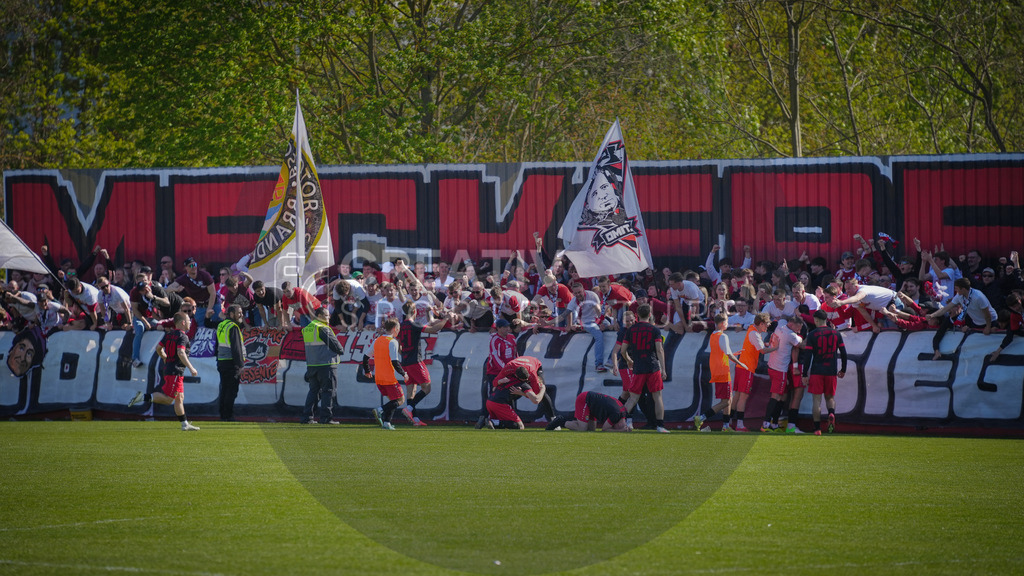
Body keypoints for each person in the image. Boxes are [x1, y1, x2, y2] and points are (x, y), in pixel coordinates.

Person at [128, 312, 200, 431]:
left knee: (179, 398)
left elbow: (158, 348)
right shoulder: (183, 336)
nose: (190, 322)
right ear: (183, 323)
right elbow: (181, 352)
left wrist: (164, 357)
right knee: (168, 399)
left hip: (170, 369)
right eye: (188, 320)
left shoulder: (169, 334)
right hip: (175, 371)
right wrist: (191, 368)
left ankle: (184, 424)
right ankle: (143, 397)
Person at [619, 303, 670, 433]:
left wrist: (629, 360)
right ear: (650, 314)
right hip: (652, 367)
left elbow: (623, 350)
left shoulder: (631, 330)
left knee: (633, 398)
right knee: (657, 397)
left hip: (638, 367)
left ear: (637, 315)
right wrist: (663, 369)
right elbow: (659, 350)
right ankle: (660, 426)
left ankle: (617, 421)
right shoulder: (654, 330)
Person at [693, 314, 749, 432]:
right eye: (727, 321)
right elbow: (728, 354)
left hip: (717, 370)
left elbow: (722, 352)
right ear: (722, 323)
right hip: (722, 370)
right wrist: (740, 363)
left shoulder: (714, 335)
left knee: (728, 398)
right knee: (726, 401)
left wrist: (733, 353)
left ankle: (725, 426)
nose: (728, 324)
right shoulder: (723, 336)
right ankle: (702, 417)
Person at [397, 301, 448, 426]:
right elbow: (435, 329)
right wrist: (446, 318)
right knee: (427, 387)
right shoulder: (415, 325)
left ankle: (415, 420)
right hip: (415, 361)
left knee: (411, 391)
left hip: (405, 361)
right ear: (415, 312)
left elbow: (398, 345)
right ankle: (408, 409)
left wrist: (404, 355)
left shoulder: (401, 326)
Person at [800, 310, 847, 435]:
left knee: (816, 400)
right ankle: (831, 412)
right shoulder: (836, 334)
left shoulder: (812, 334)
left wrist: (804, 374)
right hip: (831, 371)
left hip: (817, 370)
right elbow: (843, 353)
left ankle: (817, 429)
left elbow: (808, 356)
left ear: (816, 320)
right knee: (830, 397)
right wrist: (843, 369)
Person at [928, 277, 998, 360]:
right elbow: (945, 309)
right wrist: (932, 316)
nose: (955, 290)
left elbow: (987, 314)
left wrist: (988, 327)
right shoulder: (959, 296)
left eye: (957, 288)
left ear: (963, 289)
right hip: (977, 322)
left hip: (990, 320)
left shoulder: (978, 297)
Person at [728, 313, 776, 432]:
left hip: (742, 366)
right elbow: (763, 351)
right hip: (747, 368)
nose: (768, 327)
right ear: (761, 323)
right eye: (767, 324)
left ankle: (727, 423)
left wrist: (766, 344)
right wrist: (776, 348)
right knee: (743, 397)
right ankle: (739, 425)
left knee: (737, 396)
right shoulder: (754, 333)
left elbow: (758, 345)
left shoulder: (752, 330)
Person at [301, 306, 344, 424]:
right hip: (326, 364)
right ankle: (326, 418)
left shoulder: (308, 328)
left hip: (312, 365)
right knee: (328, 391)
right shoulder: (323, 328)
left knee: (313, 392)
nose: (329, 317)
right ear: (319, 316)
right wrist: (341, 350)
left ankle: (307, 417)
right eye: (326, 315)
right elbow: (337, 346)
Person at [362, 317, 407, 430]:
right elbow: (395, 361)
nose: (399, 331)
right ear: (394, 329)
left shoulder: (377, 340)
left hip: (379, 379)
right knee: (400, 400)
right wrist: (404, 374)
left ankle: (387, 423)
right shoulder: (392, 342)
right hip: (389, 379)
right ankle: (380, 410)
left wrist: (367, 371)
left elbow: (365, 357)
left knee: (393, 400)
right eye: (398, 329)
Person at [761, 315, 803, 433]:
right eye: (797, 328)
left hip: (772, 365)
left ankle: (773, 424)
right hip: (780, 369)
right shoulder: (790, 335)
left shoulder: (780, 327)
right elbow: (800, 345)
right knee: (776, 396)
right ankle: (766, 423)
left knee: (780, 395)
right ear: (791, 324)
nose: (798, 331)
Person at [480, 364, 546, 430]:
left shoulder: (509, 377)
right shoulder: (524, 385)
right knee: (520, 426)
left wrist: (500, 381)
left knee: (501, 424)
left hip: (490, 401)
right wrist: (543, 389)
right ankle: (493, 422)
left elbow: (494, 388)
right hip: (500, 403)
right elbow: (536, 400)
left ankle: (488, 422)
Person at [563, 281, 607, 372]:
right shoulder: (573, 301)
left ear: (583, 290)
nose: (578, 294)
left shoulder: (592, 295)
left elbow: (599, 311)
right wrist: (568, 325)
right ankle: (598, 364)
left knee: (611, 326)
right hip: (587, 322)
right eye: (576, 293)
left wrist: (601, 322)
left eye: (579, 292)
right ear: (573, 293)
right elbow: (566, 314)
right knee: (599, 336)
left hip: (597, 319)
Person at [216, 304, 247, 422]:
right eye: (239, 313)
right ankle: (228, 415)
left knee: (224, 389)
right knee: (231, 391)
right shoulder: (233, 327)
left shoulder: (221, 324)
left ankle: (223, 414)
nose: (241, 315)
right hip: (231, 363)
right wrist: (240, 365)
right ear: (232, 314)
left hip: (222, 361)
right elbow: (236, 348)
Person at [166, 257, 217, 321]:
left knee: (217, 322)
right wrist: (176, 289)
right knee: (200, 326)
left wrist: (209, 309)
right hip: (200, 306)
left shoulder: (204, 275)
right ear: (186, 268)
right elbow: (168, 289)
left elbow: (213, 293)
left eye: (195, 265)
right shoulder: (183, 278)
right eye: (191, 266)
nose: (193, 267)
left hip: (213, 303)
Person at [552, 391, 630, 432]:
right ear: (619, 424)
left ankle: (568, 421)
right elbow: (605, 429)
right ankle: (561, 421)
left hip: (593, 406)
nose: (613, 427)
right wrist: (620, 430)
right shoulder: (616, 415)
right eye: (615, 427)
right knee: (582, 428)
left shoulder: (622, 413)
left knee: (591, 430)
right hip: (585, 399)